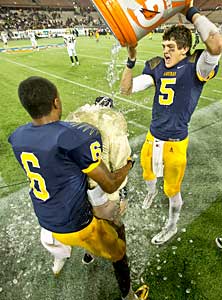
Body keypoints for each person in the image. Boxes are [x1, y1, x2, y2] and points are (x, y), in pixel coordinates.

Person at [8, 76, 147, 300]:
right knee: (119, 246)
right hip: (76, 225)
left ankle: (87, 255)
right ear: (56, 102)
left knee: (89, 204)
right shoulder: (73, 136)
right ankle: (128, 295)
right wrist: (129, 165)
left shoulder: (18, 137)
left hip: (46, 219)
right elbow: (110, 182)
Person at [120, 6, 222, 245]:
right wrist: (131, 60)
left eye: (171, 48)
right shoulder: (156, 67)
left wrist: (190, 11)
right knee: (147, 174)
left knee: (172, 190)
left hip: (175, 142)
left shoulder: (197, 67)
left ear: (184, 49)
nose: (165, 52)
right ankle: (150, 192)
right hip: (152, 137)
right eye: (164, 47)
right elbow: (126, 89)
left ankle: (172, 226)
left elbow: (216, 44)